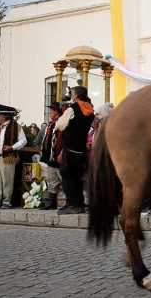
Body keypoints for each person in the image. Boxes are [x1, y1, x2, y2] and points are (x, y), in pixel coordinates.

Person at [56, 86, 95, 214]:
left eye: (72, 93)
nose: (71, 95)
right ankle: (79, 203)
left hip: (70, 147)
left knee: (67, 175)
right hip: (81, 148)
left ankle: (72, 204)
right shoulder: (90, 110)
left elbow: (60, 125)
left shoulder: (72, 108)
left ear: (76, 95)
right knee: (77, 177)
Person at [0, 108, 26, 209]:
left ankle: (7, 202)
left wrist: (12, 147)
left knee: (7, 180)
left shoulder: (15, 127)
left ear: (5, 116)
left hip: (7, 157)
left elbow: (23, 141)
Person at [40, 102, 63, 210]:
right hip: (50, 157)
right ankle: (52, 203)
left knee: (64, 179)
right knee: (52, 180)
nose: (50, 112)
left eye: (51, 110)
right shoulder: (51, 123)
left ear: (56, 112)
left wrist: (61, 153)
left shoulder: (62, 122)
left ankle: (71, 203)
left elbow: (64, 140)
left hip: (59, 157)